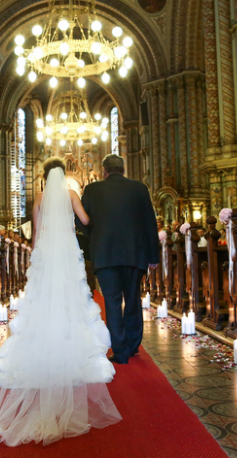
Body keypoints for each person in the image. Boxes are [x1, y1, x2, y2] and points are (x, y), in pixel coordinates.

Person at [0, 157, 121, 446]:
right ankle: (68, 341)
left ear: (44, 176)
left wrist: (36, 255)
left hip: (46, 251)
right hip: (67, 251)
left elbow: (36, 231)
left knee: (44, 298)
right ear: (64, 175)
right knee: (70, 297)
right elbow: (85, 220)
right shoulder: (71, 194)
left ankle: (45, 339)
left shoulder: (40, 198)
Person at [77, 154, 159, 365]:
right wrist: (153, 256)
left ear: (104, 171)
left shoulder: (92, 190)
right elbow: (150, 223)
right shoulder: (139, 188)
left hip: (105, 254)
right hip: (135, 253)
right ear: (123, 169)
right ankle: (133, 345)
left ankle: (120, 351)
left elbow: (80, 220)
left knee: (112, 303)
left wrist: (95, 237)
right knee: (133, 299)